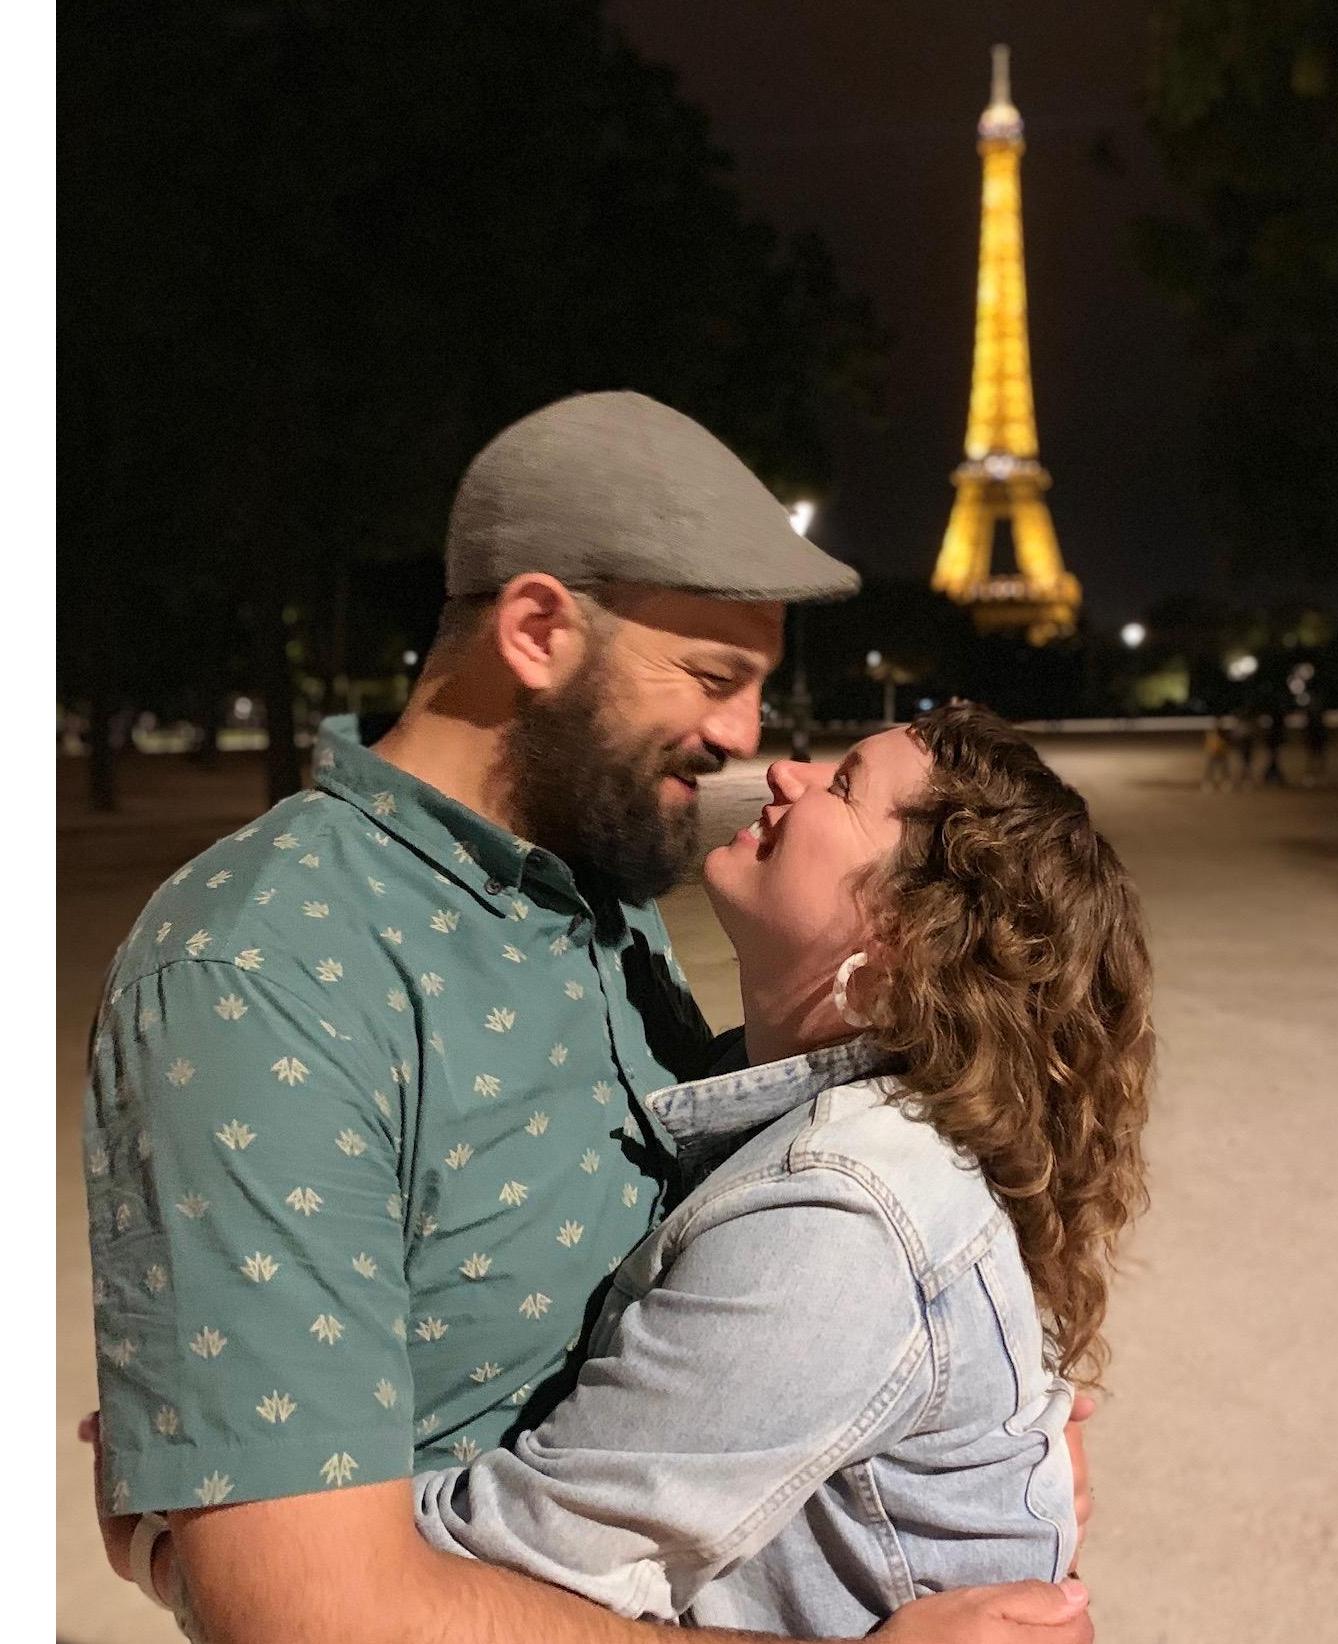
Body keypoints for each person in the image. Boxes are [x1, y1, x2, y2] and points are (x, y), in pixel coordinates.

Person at [81, 392, 1094, 1644]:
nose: (743, 741)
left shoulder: (586, 891)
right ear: (540, 628)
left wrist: (984, 1409)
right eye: (716, 678)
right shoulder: (264, 971)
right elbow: (316, 1620)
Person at [411, 705, 1154, 1631]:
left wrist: (239, 1533)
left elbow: (527, 1569)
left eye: (842, 788)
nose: (784, 775)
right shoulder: (809, 1118)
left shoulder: (838, 1219)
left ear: (902, 937)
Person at [1200, 716, 1232, 790]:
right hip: (1212, 753)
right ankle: (1208, 783)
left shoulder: (1224, 734)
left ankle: (1225, 783)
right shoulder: (1211, 733)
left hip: (1222, 753)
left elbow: (1227, 744)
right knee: (1209, 769)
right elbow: (1208, 744)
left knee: (1224, 769)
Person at [1260, 706, 1289, 787]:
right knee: (1273, 761)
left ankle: (1269, 777)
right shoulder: (1275, 727)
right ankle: (1270, 777)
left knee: (1274, 761)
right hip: (1273, 744)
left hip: (1273, 744)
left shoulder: (1274, 727)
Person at [1302, 702, 1329, 787]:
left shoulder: (1319, 719)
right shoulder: (1310, 719)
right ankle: (1311, 776)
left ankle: (1321, 776)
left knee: (1320, 757)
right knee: (1312, 758)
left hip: (1318, 738)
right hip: (1313, 738)